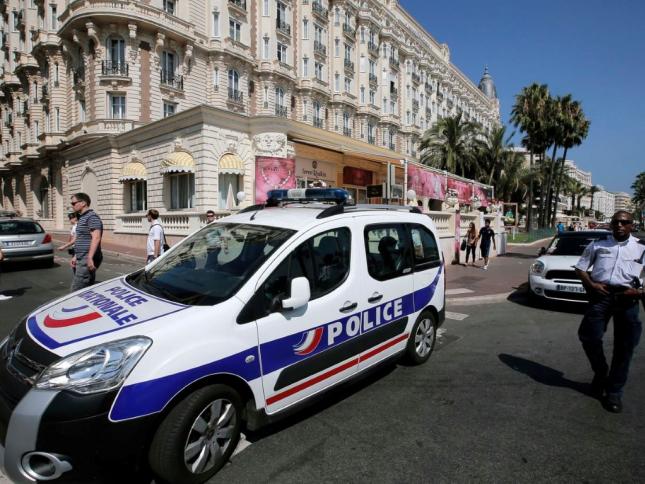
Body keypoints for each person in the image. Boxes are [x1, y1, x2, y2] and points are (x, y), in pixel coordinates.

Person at [574, 210, 645, 413]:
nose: (620, 225)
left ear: (632, 225)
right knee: (588, 336)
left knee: (625, 347)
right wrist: (591, 284)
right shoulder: (598, 244)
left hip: (627, 297)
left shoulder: (641, 248)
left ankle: (614, 392)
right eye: (616, 222)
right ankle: (601, 371)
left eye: (625, 222)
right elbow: (580, 268)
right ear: (611, 224)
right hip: (601, 295)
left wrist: (640, 291)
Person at [70, 193, 103, 291]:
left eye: (74, 203)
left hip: (86, 257)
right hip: (82, 257)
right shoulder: (82, 217)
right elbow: (81, 238)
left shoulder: (91, 217)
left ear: (83, 203)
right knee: (87, 289)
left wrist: (90, 258)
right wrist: (76, 256)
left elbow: (96, 237)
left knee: (76, 291)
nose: (72, 205)